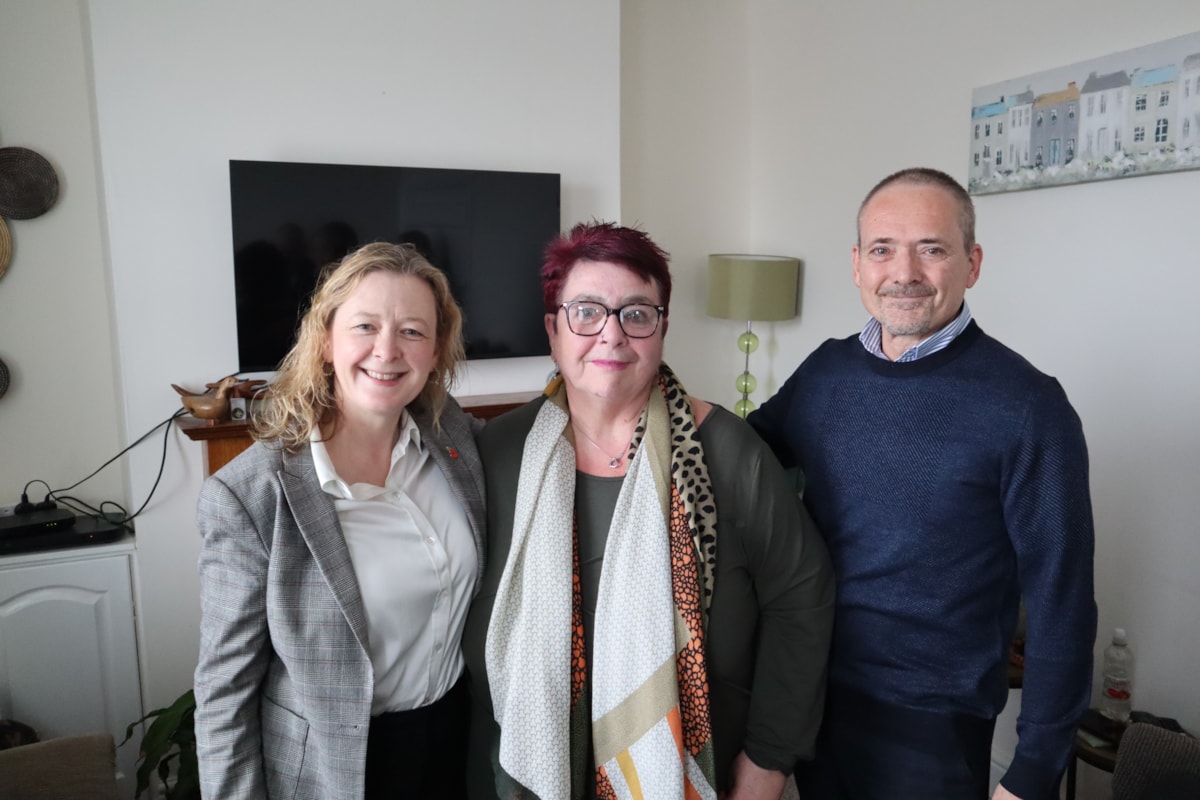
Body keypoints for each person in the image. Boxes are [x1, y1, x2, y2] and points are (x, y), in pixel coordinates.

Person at [748, 168, 1097, 800]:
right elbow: (742, 455)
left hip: (931, 725)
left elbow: (1062, 602)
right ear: (857, 265)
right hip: (808, 692)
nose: (903, 272)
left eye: (931, 249)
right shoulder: (827, 371)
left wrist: (1033, 771)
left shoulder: (1028, 407)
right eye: (882, 249)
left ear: (973, 262)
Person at [462, 221, 835, 800]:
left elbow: (802, 600)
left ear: (662, 327)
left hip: (705, 771)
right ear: (552, 329)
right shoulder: (497, 450)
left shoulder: (729, 451)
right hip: (518, 766)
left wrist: (769, 761)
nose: (611, 337)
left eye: (636, 313)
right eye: (586, 312)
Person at [194, 242, 486, 800]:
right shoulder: (249, 497)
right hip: (336, 769)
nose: (387, 350)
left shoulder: (459, 446)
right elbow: (224, 690)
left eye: (413, 331)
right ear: (326, 340)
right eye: (365, 326)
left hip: (455, 742)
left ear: (436, 349)